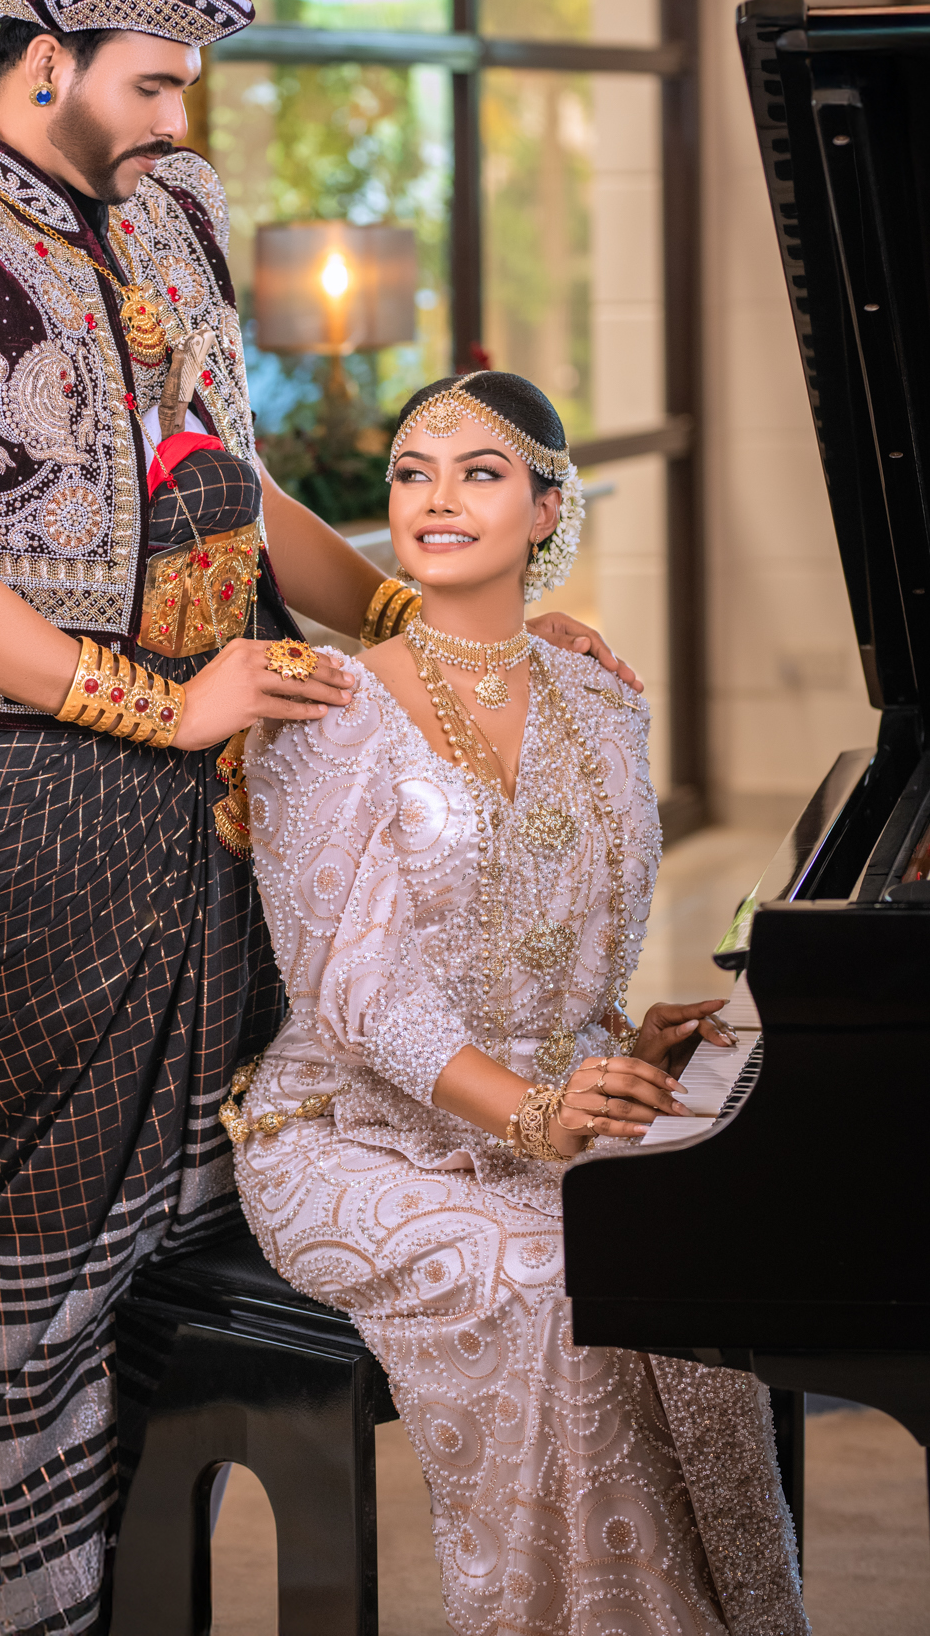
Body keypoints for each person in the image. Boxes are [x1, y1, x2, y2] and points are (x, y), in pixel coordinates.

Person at [0, 0, 640, 1636]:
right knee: (51, 1211)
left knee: (190, 1192)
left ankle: (148, 1581)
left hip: (196, 760)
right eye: (153, 80)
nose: (180, 115)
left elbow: (231, 485)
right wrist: (161, 708)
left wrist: (423, 618)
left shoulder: (167, 209)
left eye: (186, 85)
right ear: (44, 58)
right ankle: (52, 1613)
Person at [228, 368, 808, 1636]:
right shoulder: (334, 712)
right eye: (412, 473)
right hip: (352, 1131)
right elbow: (357, 993)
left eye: (478, 473)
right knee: (551, 1276)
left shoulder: (599, 698)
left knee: (685, 1250)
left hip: (553, 1104)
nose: (436, 499)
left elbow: (579, 922)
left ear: (548, 509)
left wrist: (621, 1033)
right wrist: (536, 1111)